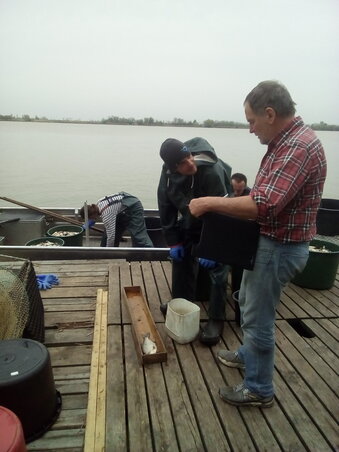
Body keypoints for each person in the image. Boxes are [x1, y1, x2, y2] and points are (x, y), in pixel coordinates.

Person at [189, 80, 327, 407]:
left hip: (279, 249)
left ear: (269, 113)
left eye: (251, 121)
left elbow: (263, 205)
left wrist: (209, 202)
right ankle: (247, 354)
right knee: (247, 299)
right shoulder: (285, 143)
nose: (250, 129)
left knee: (257, 318)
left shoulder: (298, 147)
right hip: (267, 243)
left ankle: (259, 389)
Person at [158, 136, 232, 345]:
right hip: (191, 217)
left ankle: (217, 319)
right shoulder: (167, 174)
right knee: (181, 261)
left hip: (218, 222)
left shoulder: (211, 171)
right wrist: (173, 241)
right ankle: (182, 302)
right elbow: (165, 206)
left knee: (218, 269)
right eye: (182, 162)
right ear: (172, 168)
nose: (190, 163)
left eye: (189, 156)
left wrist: (212, 247)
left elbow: (222, 214)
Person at [79, 192, 153, 247]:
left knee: (138, 235)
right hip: (122, 207)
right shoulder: (98, 203)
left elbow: (111, 237)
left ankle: (151, 252)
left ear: (93, 215)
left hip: (133, 205)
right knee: (107, 236)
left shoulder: (107, 215)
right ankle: (108, 251)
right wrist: (87, 224)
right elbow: (95, 215)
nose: (90, 220)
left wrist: (109, 252)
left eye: (89, 218)